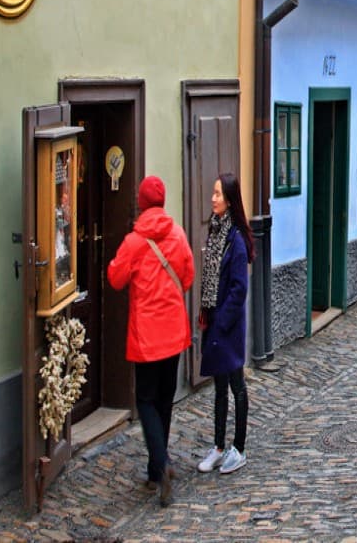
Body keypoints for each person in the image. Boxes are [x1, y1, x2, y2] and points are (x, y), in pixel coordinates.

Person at [107, 175, 194, 507]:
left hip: (146, 337)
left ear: (142, 204)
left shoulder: (133, 241)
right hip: (173, 334)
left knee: (145, 401)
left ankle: (161, 464)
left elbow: (115, 278)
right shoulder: (178, 234)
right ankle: (157, 470)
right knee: (163, 400)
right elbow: (186, 276)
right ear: (163, 201)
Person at [196, 172, 254, 475]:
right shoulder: (216, 232)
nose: (213, 198)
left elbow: (238, 289)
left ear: (229, 200)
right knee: (218, 386)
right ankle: (218, 447)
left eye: (218, 194)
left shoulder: (236, 241)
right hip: (214, 320)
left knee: (236, 385)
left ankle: (238, 448)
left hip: (227, 326)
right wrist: (208, 313)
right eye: (213, 193)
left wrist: (222, 322)